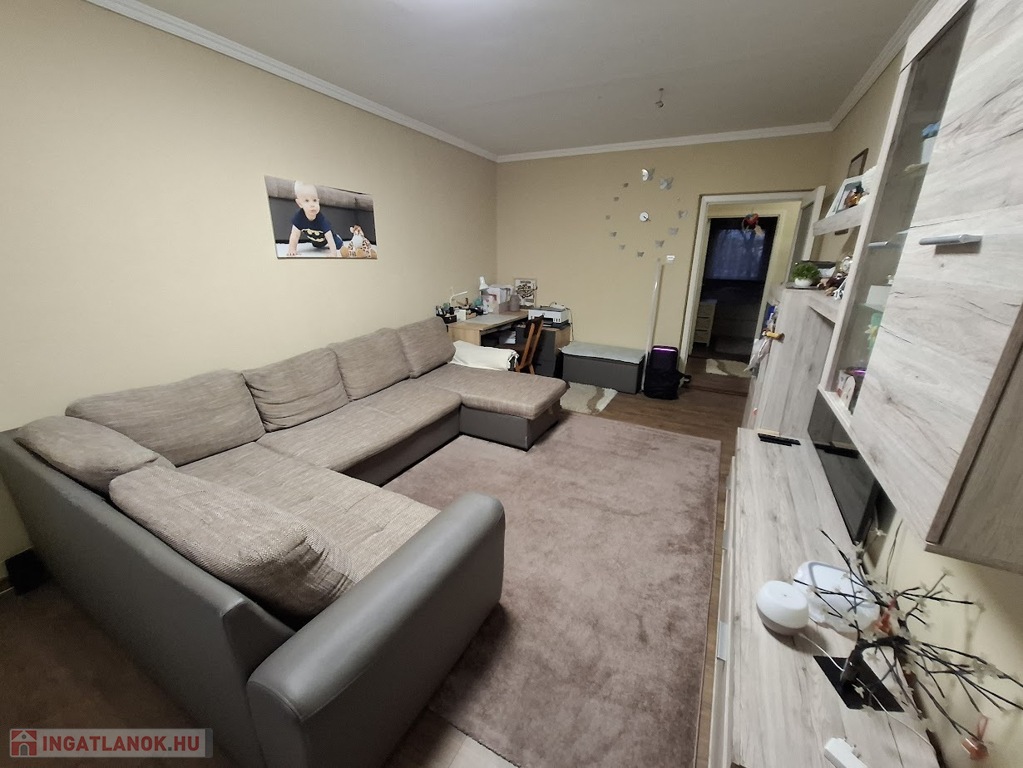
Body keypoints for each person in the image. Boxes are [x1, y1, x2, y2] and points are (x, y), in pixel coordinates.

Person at [286, 182, 344, 257]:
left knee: (338, 245)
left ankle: (337, 237)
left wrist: (333, 253)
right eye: (307, 201)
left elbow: (329, 237)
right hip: (315, 240)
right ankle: (318, 243)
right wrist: (292, 249)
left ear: (318, 201)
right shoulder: (299, 217)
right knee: (317, 245)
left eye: (314, 200)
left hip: (327, 237)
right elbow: (294, 235)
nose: (312, 205)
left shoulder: (321, 219)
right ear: (299, 203)